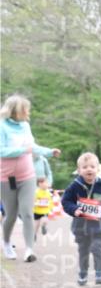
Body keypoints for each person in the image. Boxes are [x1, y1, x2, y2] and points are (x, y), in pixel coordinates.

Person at [1, 94, 61, 262]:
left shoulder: (25, 126)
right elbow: (2, 151)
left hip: (27, 175)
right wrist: (21, 150)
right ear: (16, 111)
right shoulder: (2, 126)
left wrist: (49, 152)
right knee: (11, 215)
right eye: (26, 109)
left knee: (27, 212)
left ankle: (29, 250)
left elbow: (32, 147)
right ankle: (6, 242)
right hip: (6, 177)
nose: (29, 112)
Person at [61, 153, 101, 285]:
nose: (89, 169)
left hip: (98, 226)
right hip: (80, 227)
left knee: (96, 247)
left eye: (92, 166)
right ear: (79, 170)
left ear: (98, 169)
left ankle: (100, 273)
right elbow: (65, 201)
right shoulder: (74, 186)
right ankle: (83, 273)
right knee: (83, 251)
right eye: (85, 167)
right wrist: (74, 209)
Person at [32, 177, 54, 241]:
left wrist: (51, 207)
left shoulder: (48, 192)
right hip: (36, 211)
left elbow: (50, 200)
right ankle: (34, 235)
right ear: (40, 184)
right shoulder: (36, 192)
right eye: (45, 183)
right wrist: (36, 203)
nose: (47, 184)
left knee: (44, 220)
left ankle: (43, 227)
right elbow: (33, 200)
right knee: (36, 224)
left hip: (45, 210)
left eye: (47, 183)